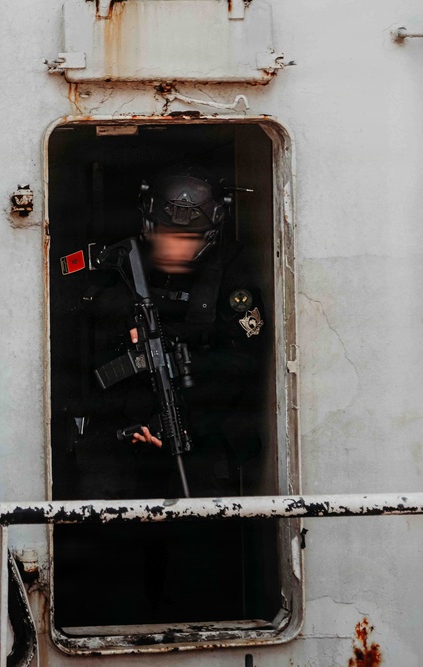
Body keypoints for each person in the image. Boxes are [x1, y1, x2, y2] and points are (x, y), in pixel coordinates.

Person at [54, 166, 267, 626]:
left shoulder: (231, 274)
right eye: (169, 236)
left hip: (195, 433)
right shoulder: (115, 263)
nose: (178, 248)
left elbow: (242, 363)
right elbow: (65, 330)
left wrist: (182, 423)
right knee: (109, 555)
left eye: (190, 239)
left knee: (198, 556)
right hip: (117, 432)